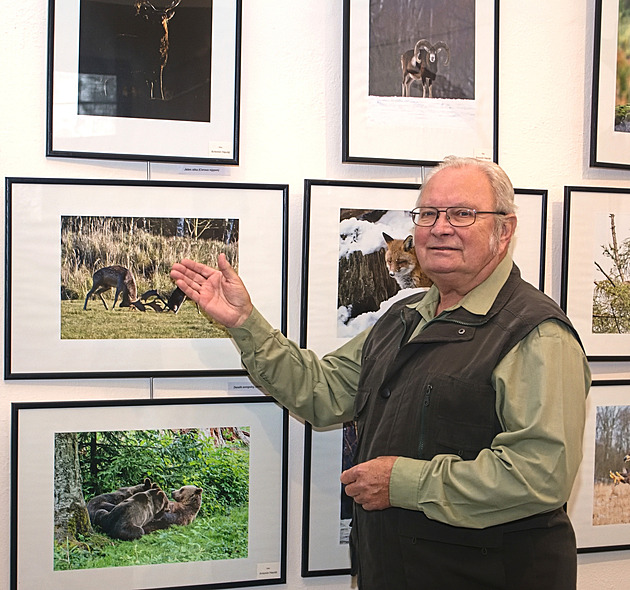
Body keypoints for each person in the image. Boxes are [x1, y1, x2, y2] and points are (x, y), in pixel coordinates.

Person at [171, 156, 591, 590]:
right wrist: (245, 323)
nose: (440, 227)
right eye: (427, 214)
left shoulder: (536, 333)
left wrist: (402, 483)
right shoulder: (402, 317)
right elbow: (323, 391)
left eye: (462, 213)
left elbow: (540, 475)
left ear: (504, 231)